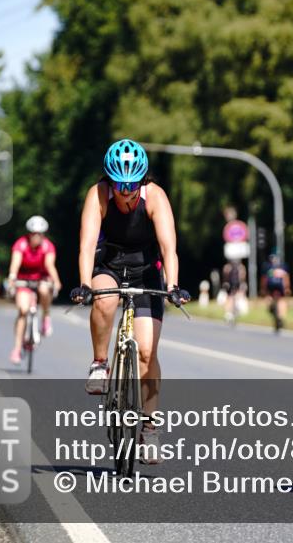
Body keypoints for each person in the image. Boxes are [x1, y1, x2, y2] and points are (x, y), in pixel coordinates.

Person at [69, 139, 190, 463]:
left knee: (148, 353)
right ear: (109, 179)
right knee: (104, 302)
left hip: (147, 272)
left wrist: (174, 286)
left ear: (142, 180)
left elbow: (169, 248)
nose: (125, 191)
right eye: (119, 184)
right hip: (109, 266)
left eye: (132, 184)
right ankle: (99, 364)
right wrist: (84, 284)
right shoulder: (98, 194)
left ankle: (149, 428)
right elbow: (86, 245)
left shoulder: (156, 197)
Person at [7, 216, 61, 363]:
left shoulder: (47, 246)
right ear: (28, 233)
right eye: (33, 233)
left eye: (40, 234)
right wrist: (12, 278)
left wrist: (56, 282)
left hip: (41, 278)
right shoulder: (21, 244)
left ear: (44, 234)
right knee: (23, 310)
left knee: (44, 290)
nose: (36, 237)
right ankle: (17, 349)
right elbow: (15, 264)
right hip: (23, 280)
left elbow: (50, 265)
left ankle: (46, 317)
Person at [261, 253, 291, 332]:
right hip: (280, 286)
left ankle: (272, 309)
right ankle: (281, 317)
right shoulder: (283, 267)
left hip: (271, 286)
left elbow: (264, 279)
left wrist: (263, 289)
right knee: (281, 300)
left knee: (269, 298)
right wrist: (287, 288)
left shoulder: (267, 267)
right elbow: (286, 278)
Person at [221, 259, 246, 325]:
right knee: (233, 298)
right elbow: (242, 276)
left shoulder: (227, 267)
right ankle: (232, 313)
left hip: (231, 284)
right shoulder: (241, 267)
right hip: (236, 284)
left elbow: (225, 275)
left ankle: (229, 314)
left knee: (230, 298)